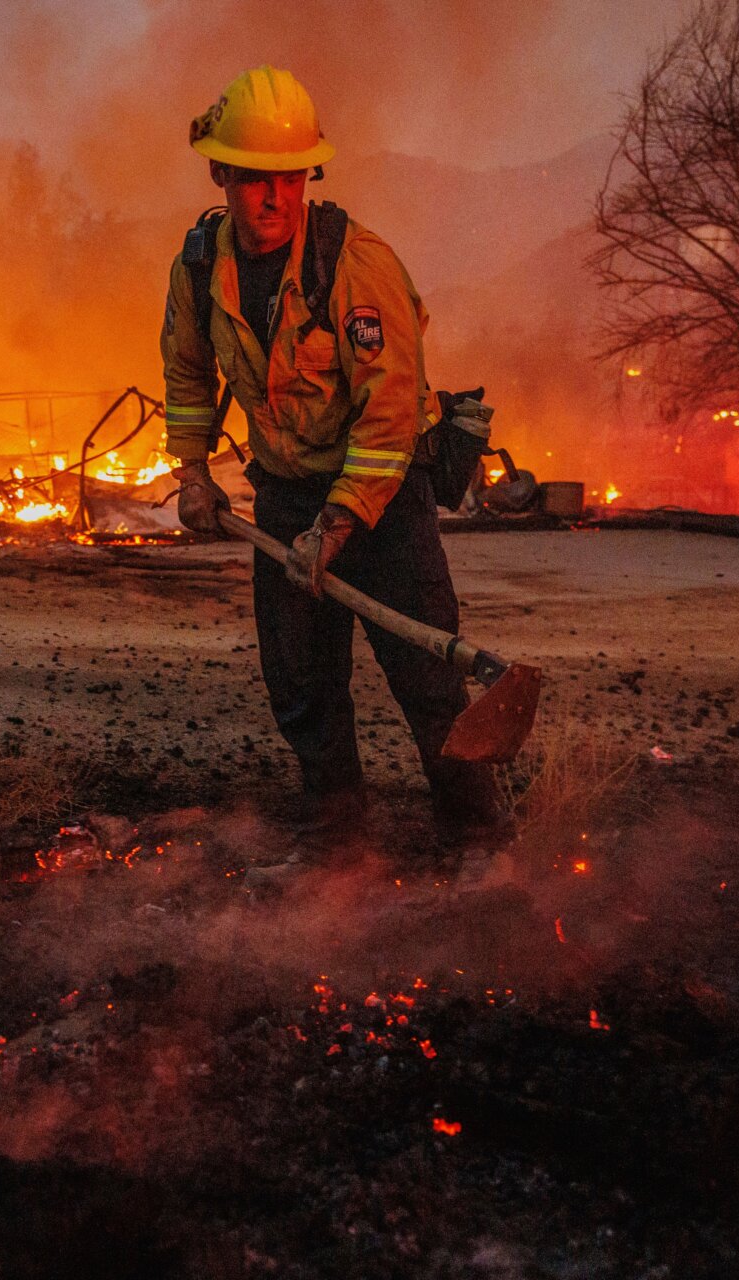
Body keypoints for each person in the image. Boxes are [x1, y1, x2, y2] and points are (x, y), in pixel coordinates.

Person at [160, 65, 500, 835]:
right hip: (283, 492)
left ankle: (481, 839)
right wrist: (191, 472)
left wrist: (339, 528)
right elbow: (187, 371)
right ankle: (340, 851)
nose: (275, 198)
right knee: (302, 685)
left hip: (385, 496)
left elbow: (386, 422)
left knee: (424, 678)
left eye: (290, 177)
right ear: (220, 173)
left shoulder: (357, 267)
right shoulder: (197, 266)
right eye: (253, 179)